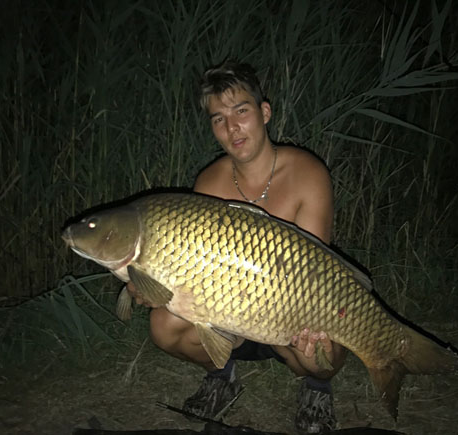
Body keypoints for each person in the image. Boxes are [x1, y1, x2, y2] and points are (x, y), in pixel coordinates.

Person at [127, 60, 347, 434]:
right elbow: (192, 272)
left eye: (241, 111)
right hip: (228, 317)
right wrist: (153, 287)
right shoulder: (209, 184)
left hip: (288, 315)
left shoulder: (307, 174)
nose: (232, 127)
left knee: (322, 356)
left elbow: (314, 274)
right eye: (219, 119)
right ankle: (221, 374)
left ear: (264, 112)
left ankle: (316, 388)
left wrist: (304, 326)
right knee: (163, 326)